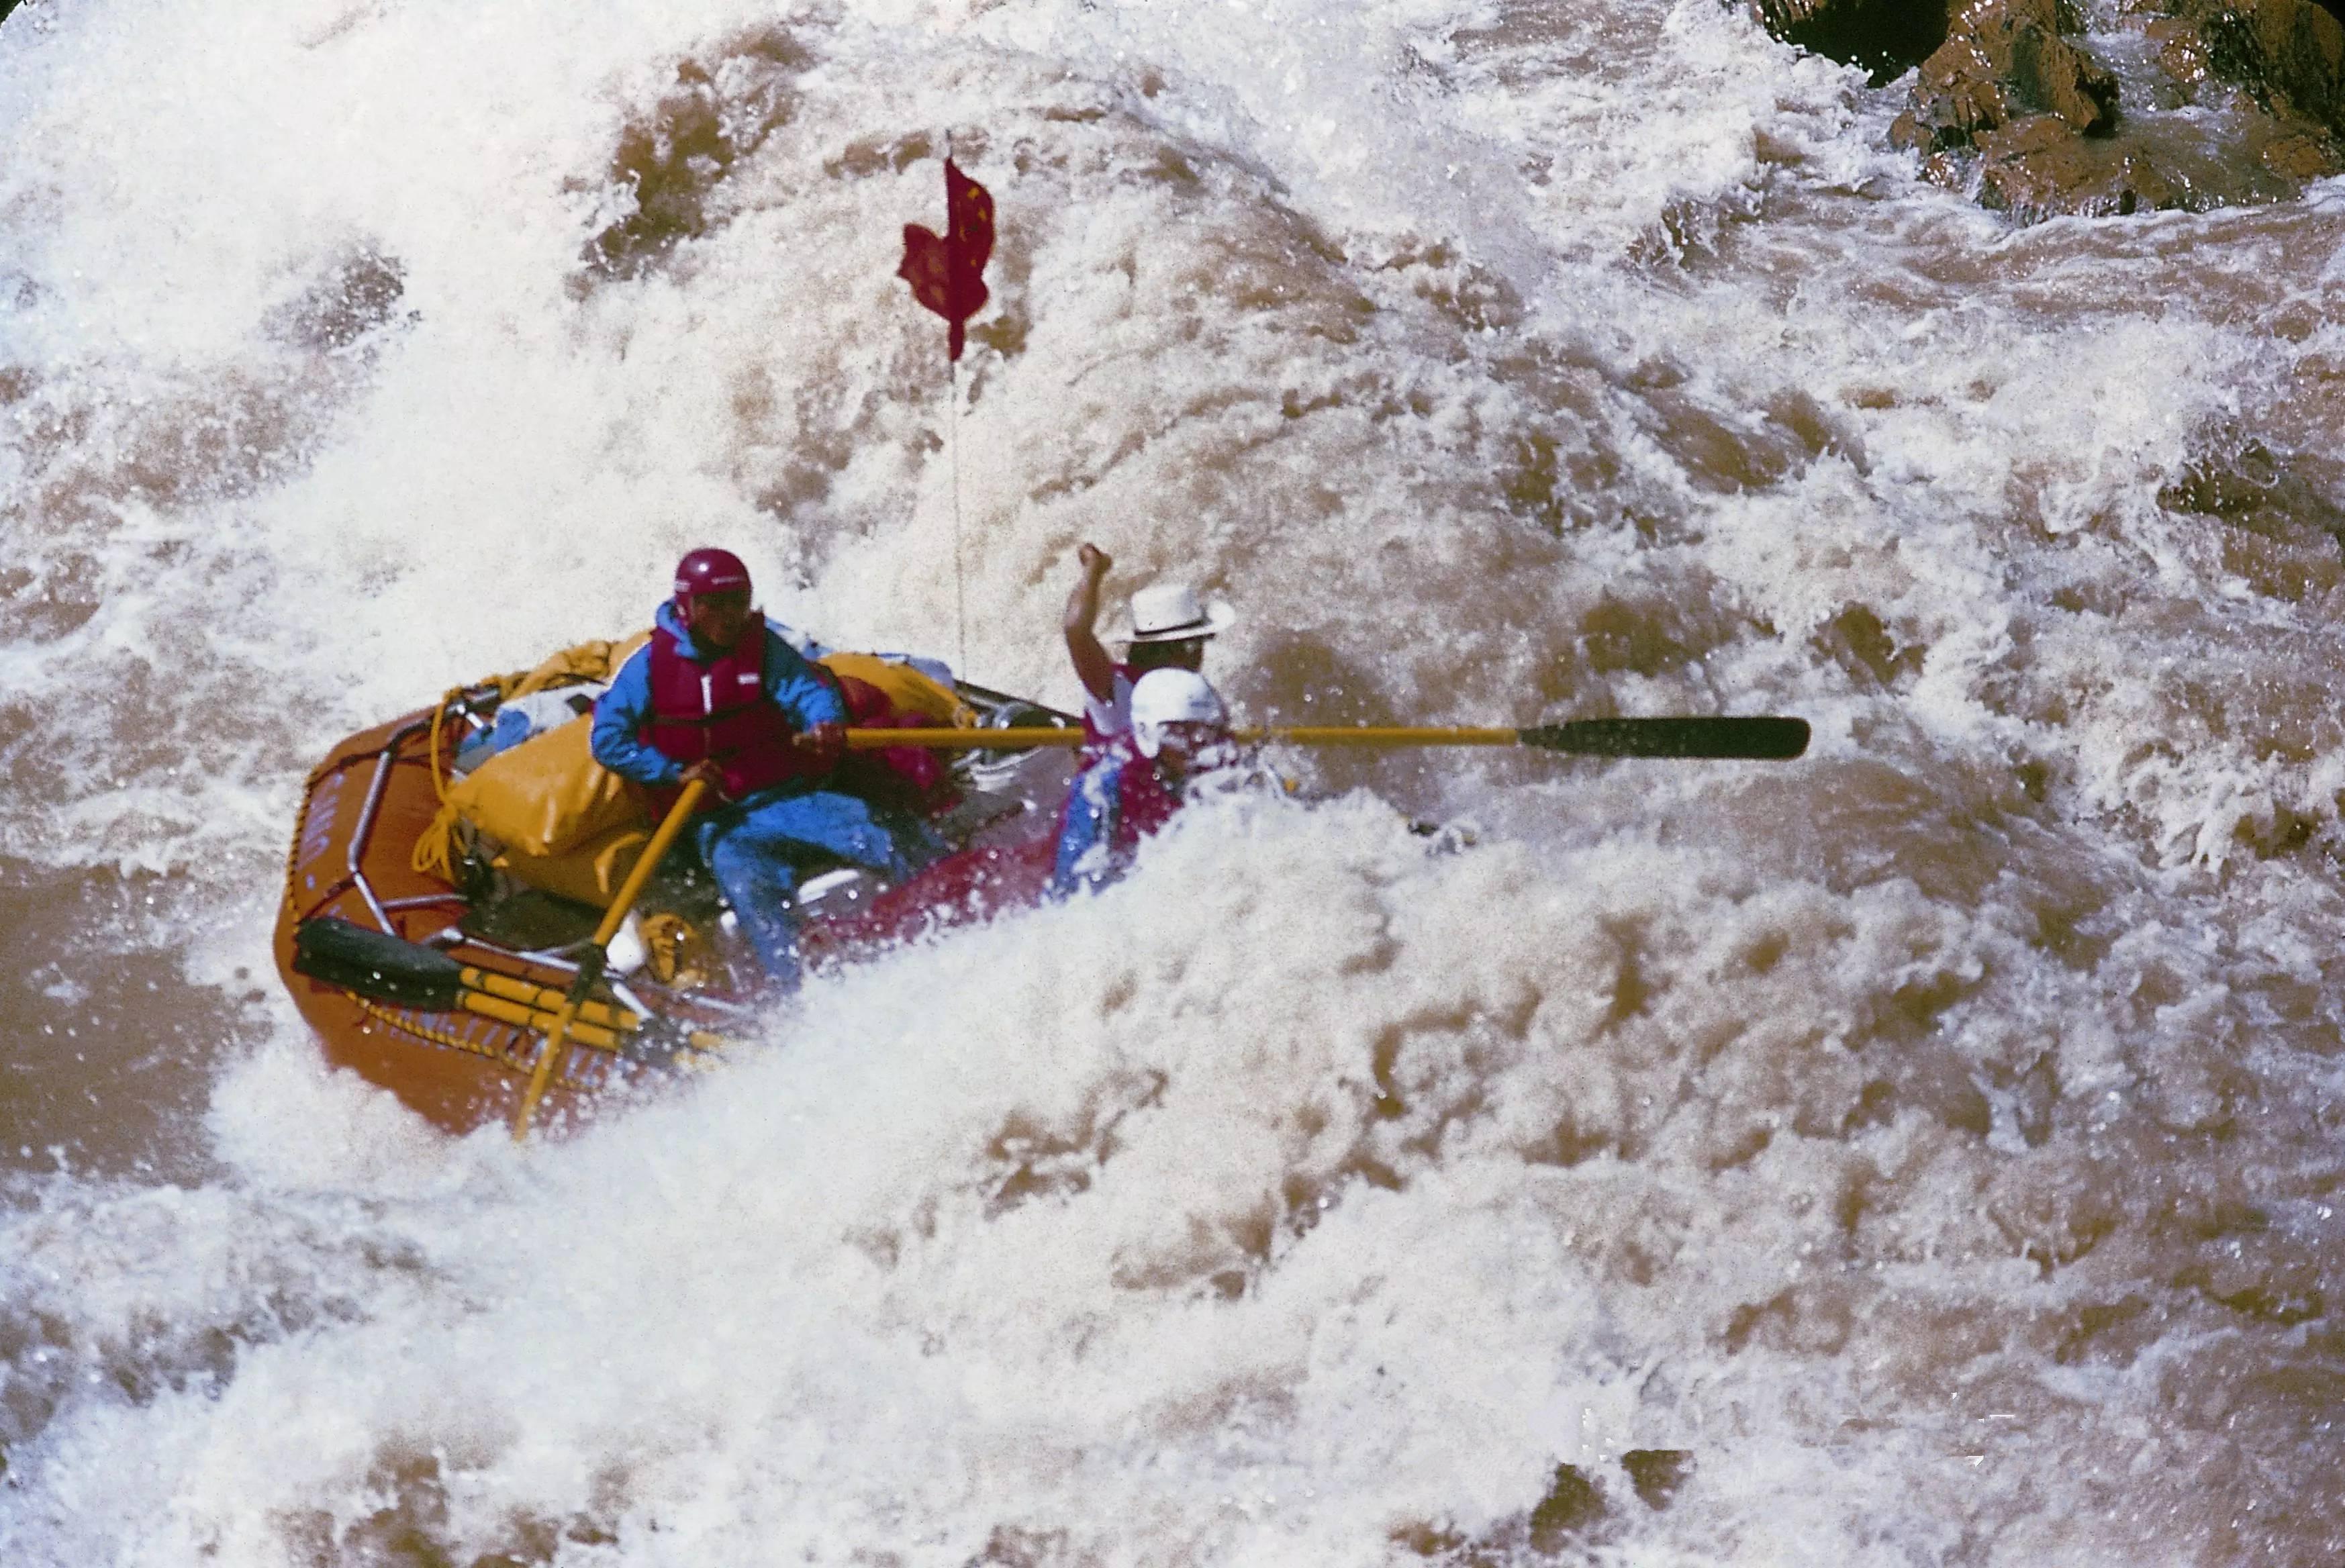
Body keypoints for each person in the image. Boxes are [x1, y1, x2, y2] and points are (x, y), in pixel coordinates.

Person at [590, 547, 921, 989]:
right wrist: (671, 772)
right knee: (750, 891)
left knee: (886, 836)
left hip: (789, 797)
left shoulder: (763, 648)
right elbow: (608, 740)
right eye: (715, 604)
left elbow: (807, 691)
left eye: (739, 601)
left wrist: (825, 723)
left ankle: (956, 922)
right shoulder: (648, 667)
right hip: (717, 821)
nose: (730, 616)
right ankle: (797, 995)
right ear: (688, 607)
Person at [1051, 667, 1237, 894]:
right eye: (1181, 732)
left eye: (1205, 731)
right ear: (1148, 735)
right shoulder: (1102, 788)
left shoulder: (1222, 763)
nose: (1196, 743)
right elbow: (1071, 888)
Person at [1061, 542, 1235, 756]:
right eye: (1197, 643)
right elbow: (1075, 630)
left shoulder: (1196, 692)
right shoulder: (1116, 688)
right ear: (1177, 651)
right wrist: (1093, 569)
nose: (1200, 653)